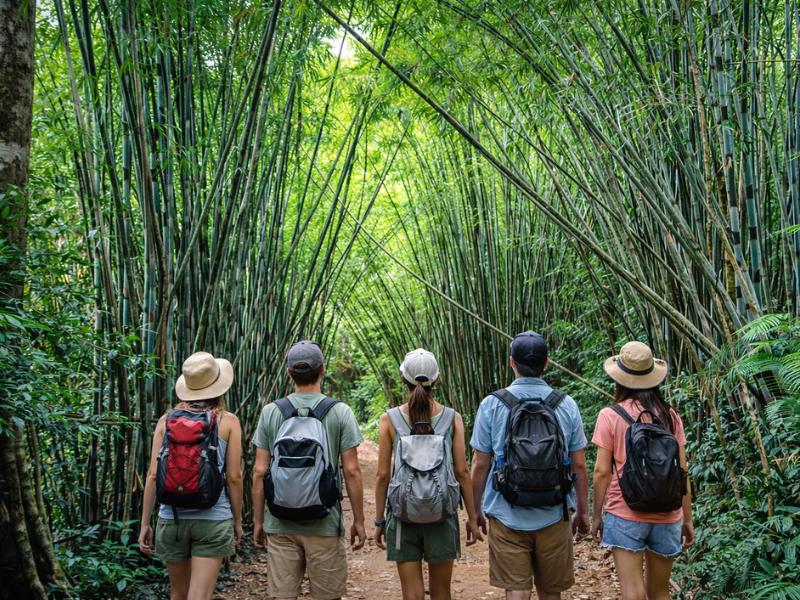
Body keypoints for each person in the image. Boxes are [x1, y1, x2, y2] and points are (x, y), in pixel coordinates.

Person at [470, 331, 589, 600]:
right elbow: (579, 466)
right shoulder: (566, 404)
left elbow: (479, 464)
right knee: (550, 591)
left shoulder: (492, 404)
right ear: (547, 363)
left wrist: (475, 510)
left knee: (517, 590)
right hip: (554, 511)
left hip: (505, 511)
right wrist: (582, 511)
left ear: (512, 362)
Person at [252, 340, 365, 600]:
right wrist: (358, 521)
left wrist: (259, 521)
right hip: (324, 522)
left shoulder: (271, 412)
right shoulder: (340, 412)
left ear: (289, 373)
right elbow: (352, 470)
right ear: (323, 370)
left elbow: (259, 472)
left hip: (280, 522)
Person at [374, 348, 484, 600]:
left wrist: (379, 521)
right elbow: (462, 471)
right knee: (442, 592)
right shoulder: (452, 418)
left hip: (403, 516)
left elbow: (382, 475)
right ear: (437, 379)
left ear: (404, 379)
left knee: (411, 594)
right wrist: (472, 517)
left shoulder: (389, 419)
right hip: (442, 514)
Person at [590, 341, 695, 600]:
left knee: (632, 591)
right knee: (660, 592)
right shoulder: (671, 416)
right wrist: (687, 519)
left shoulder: (610, 415)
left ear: (620, 380)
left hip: (624, 511)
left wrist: (596, 515)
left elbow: (602, 471)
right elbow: (682, 472)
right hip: (667, 513)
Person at [139, 351, 244, 600]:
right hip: (212, 519)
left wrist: (145, 523)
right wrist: (237, 520)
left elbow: (153, 475)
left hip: (171, 518)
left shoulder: (166, 421)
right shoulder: (228, 421)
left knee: (179, 594)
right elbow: (234, 477)